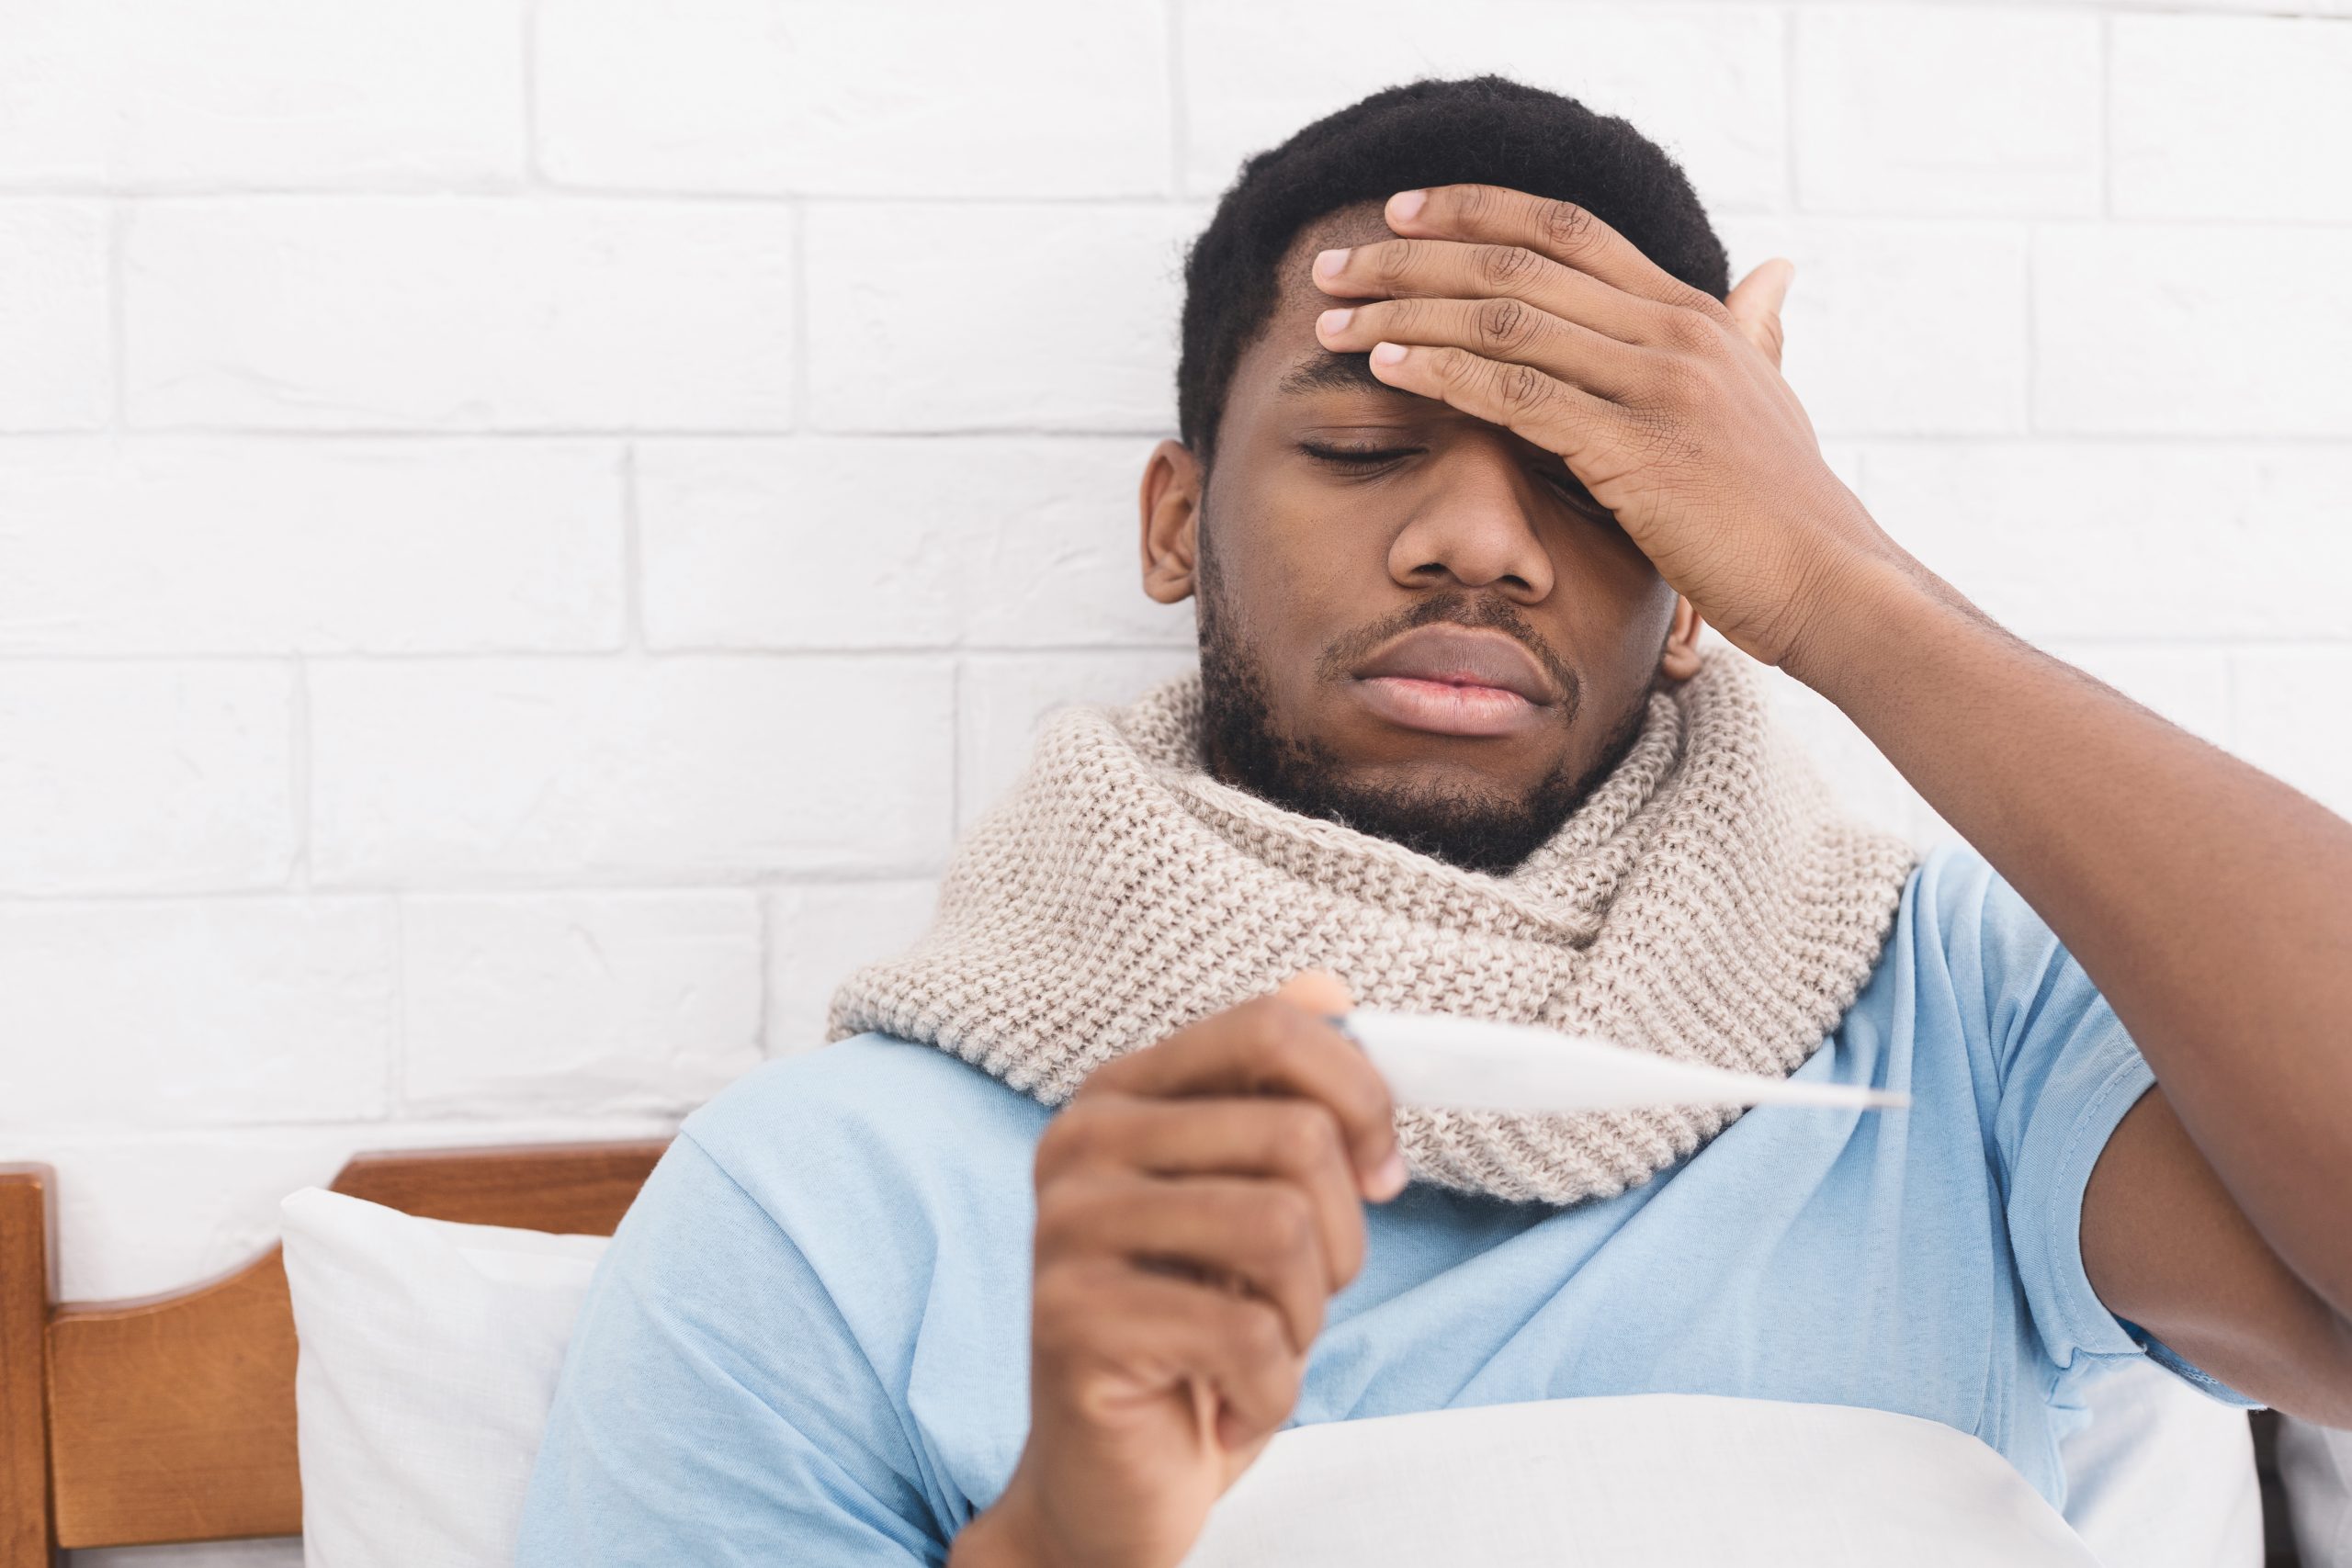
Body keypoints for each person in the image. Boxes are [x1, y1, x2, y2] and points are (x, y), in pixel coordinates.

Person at [514, 75, 2352, 1566]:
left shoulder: (1961, 1031)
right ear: (1174, 521)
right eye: (1360, 447)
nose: (1473, 538)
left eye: (1595, 475)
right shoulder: (822, 1196)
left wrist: (1841, 586)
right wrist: (1068, 1536)